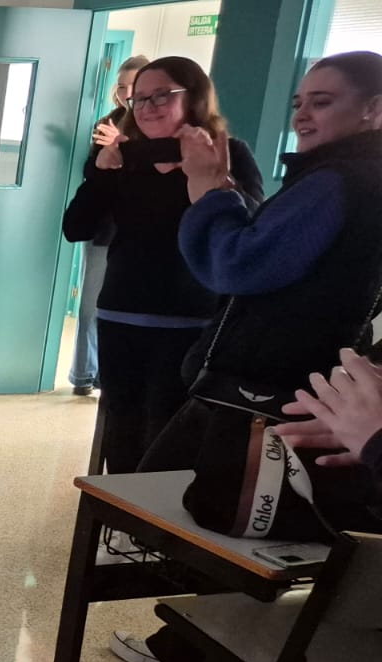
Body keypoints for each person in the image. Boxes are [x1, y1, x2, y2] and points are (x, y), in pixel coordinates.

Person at [110, 50, 382, 662]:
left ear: (373, 109)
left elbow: (237, 264)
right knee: (197, 499)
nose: (303, 115)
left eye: (323, 102)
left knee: (217, 515)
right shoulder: (342, 177)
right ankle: (192, 643)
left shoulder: (338, 180)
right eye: (299, 102)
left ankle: (202, 649)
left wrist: (210, 189)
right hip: (282, 380)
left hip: (261, 386)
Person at [61, 56, 263, 475]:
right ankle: (120, 512)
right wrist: (101, 173)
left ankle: (156, 515)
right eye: (139, 98)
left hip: (192, 320)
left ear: (194, 98)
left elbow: (251, 233)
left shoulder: (227, 153)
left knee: (170, 433)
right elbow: (75, 227)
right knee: (123, 427)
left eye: (161, 96)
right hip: (121, 313)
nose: (147, 107)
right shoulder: (124, 156)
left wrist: (211, 179)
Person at [69, 55, 148, 397]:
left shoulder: (154, 129)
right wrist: (108, 152)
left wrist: (126, 147)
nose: (126, 94)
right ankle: (84, 374)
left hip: (140, 235)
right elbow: (92, 173)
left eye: (134, 87)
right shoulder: (107, 122)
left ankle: (109, 378)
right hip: (103, 229)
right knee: (90, 307)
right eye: (121, 86)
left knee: (125, 309)